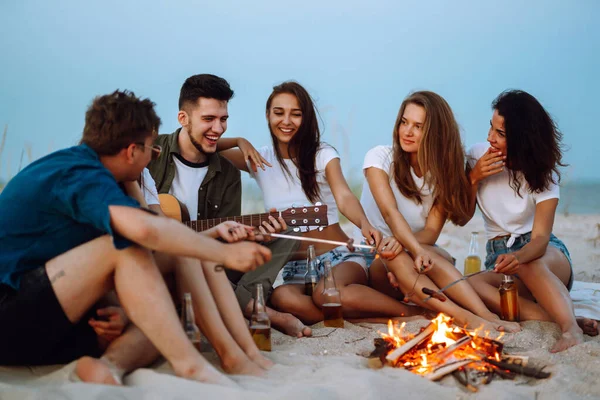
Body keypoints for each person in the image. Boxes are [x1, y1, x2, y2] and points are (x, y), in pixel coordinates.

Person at [0, 90, 272, 385]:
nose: (154, 156)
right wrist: (224, 254)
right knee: (127, 248)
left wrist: (126, 312)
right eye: (152, 150)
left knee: (171, 298)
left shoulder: (109, 179)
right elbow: (143, 232)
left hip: (58, 319)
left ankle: (231, 356)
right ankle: (191, 366)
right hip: (11, 316)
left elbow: (141, 242)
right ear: (131, 151)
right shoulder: (79, 172)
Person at [219, 81, 424, 325]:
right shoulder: (259, 160)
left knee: (327, 294)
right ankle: (368, 320)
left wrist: (363, 223)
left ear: (305, 118)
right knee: (284, 298)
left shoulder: (322, 154)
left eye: (296, 114)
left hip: (337, 256)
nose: (286, 121)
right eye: (278, 113)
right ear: (267, 115)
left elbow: (345, 196)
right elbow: (207, 146)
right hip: (295, 269)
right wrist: (238, 141)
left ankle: (410, 314)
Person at [147, 74, 310, 337]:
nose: (219, 128)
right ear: (183, 119)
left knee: (286, 231)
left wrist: (252, 236)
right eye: (208, 119)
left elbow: (222, 244)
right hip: (158, 261)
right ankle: (255, 308)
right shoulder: (151, 152)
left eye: (223, 119)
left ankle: (242, 301)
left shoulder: (228, 172)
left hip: (208, 260)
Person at [361, 91, 521, 332]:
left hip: (417, 254)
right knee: (397, 254)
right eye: (404, 122)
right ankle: (464, 317)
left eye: (418, 126)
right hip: (373, 257)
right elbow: (389, 213)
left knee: (430, 255)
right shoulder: (379, 158)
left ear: (435, 133)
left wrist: (407, 246)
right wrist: (407, 247)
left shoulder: (443, 173)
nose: (407, 132)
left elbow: (432, 232)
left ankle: (486, 315)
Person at [466, 89, 598, 352]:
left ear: (522, 139)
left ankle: (570, 330)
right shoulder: (475, 156)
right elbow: (461, 216)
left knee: (528, 264)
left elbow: (539, 240)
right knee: (468, 284)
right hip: (499, 258)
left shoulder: (542, 174)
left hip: (544, 256)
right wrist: (474, 178)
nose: (490, 138)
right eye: (491, 128)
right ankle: (567, 318)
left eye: (501, 134)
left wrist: (520, 257)